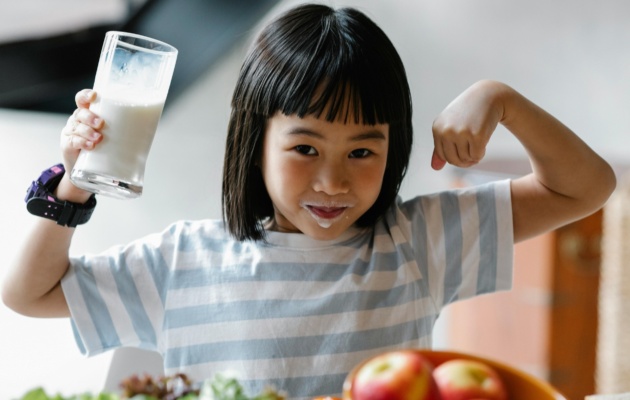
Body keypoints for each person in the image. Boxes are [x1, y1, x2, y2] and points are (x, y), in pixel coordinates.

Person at [2, 3, 616, 399]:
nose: (332, 183)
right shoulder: (184, 259)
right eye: (304, 149)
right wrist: (76, 182)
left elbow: (586, 187)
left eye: (361, 152)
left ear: (393, 148)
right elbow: (29, 293)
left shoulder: (419, 241)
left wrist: (500, 98)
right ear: (255, 141)